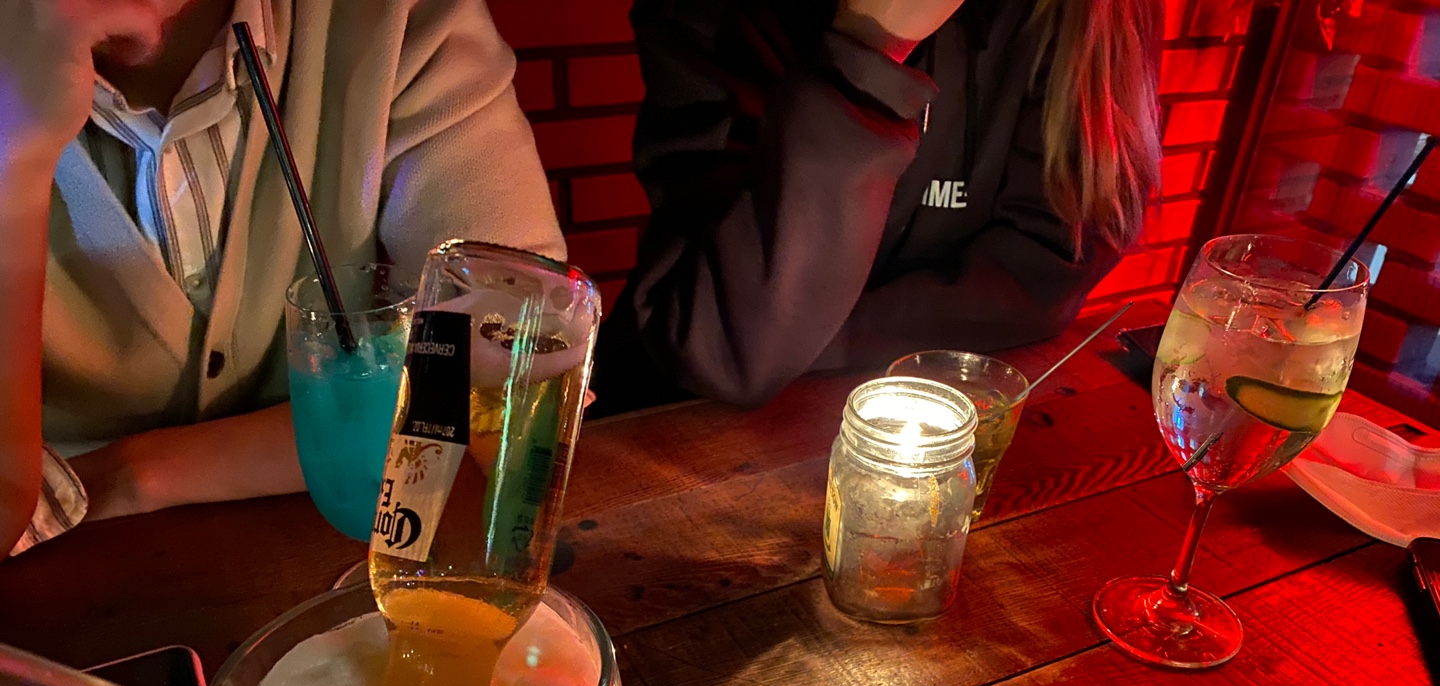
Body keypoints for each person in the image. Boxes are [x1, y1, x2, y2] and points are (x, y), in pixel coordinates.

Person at [0, 0, 562, 559]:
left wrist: (131, 472)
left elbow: (521, 345)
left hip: (307, 547)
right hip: (53, 574)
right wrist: (15, 153)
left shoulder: (396, 18)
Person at [590, 0, 1163, 414]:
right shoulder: (727, 14)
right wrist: (865, 51)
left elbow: (1040, 283)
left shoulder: (1089, 18)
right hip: (663, 435)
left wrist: (798, 331)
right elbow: (726, 347)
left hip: (932, 435)